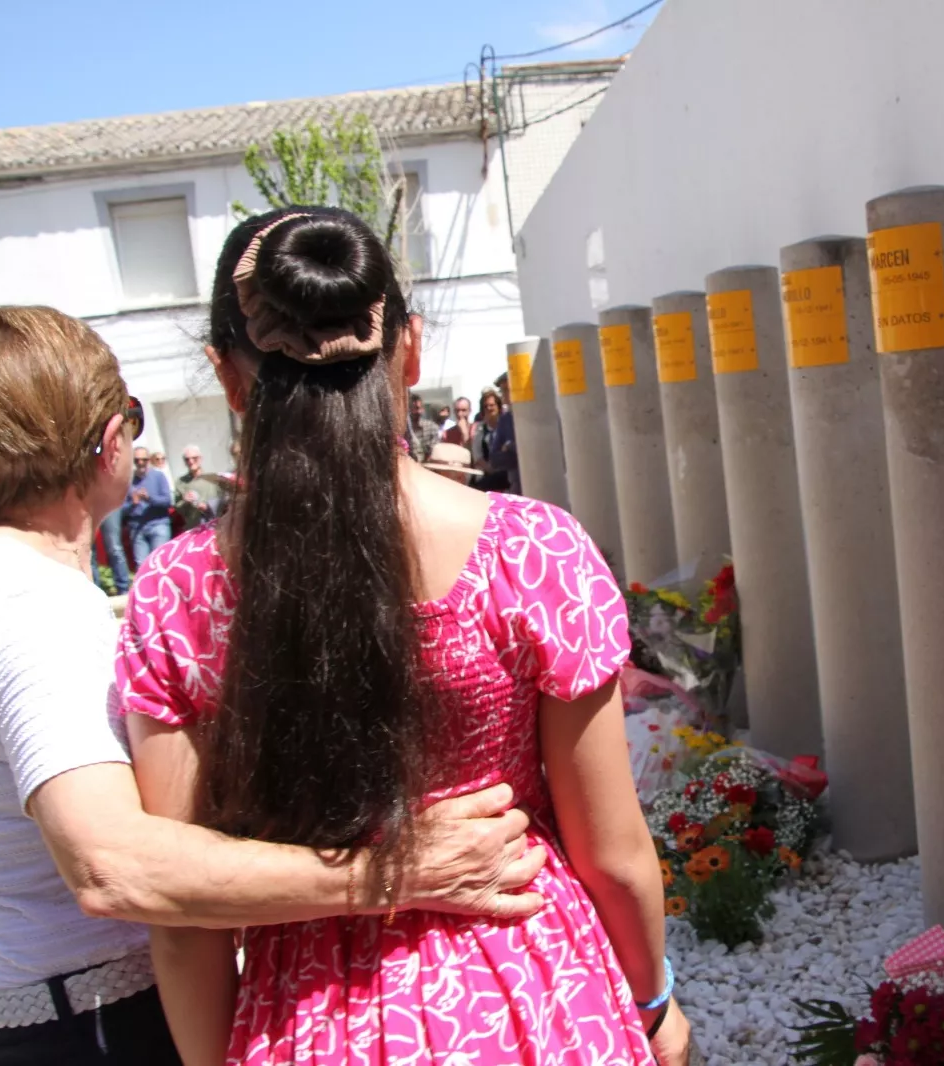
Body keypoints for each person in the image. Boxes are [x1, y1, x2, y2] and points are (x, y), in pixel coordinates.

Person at [0, 306, 547, 1066]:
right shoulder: (33, 608)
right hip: (89, 1026)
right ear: (111, 441)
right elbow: (115, 867)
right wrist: (398, 871)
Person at [120, 207, 689, 1065]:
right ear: (409, 349)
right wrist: (652, 1007)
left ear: (227, 377)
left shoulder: (180, 589)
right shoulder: (531, 550)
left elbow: (187, 919)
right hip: (533, 991)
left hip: (309, 1019)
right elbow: (612, 854)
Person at [124, 446, 174, 567]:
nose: (140, 463)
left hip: (158, 524)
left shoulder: (158, 476)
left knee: (160, 563)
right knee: (141, 566)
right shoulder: (127, 480)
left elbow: (168, 501)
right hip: (137, 528)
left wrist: (149, 499)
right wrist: (133, 504)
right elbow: (121, 510)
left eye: (144, 460)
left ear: (149, 460)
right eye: (137, 460)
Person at [174, 445, 224, 531]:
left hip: (215, 524)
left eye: (194, 458)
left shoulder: (213, 478)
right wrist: (184, 501)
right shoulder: (180, 482)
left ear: (201, 459)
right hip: (194, 527)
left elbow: (224, 501)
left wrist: (208, 507)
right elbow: (177, 508)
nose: (191, 461)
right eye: (187, 459)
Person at [471, 389, 509, 492]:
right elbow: (477, 455)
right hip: (488, 474)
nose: (489, 408)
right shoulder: (480, 429)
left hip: (507, 472)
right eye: (485, 406)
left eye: (491, 405)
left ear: (498, 406)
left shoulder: (506, 425)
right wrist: (489, 468)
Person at [490, 371, 521, 495]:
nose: (504, 395)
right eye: (502, 391)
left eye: (507, 390)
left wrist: (509, 446)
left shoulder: (539, 415)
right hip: (517, 486)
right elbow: (495, 458)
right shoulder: (505, 419)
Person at [406, 391, 441, 463]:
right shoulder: (404, 429)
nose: (418, 411)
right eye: (415, 408)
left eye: (419, 408)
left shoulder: (432, 427)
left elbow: (435, 449)